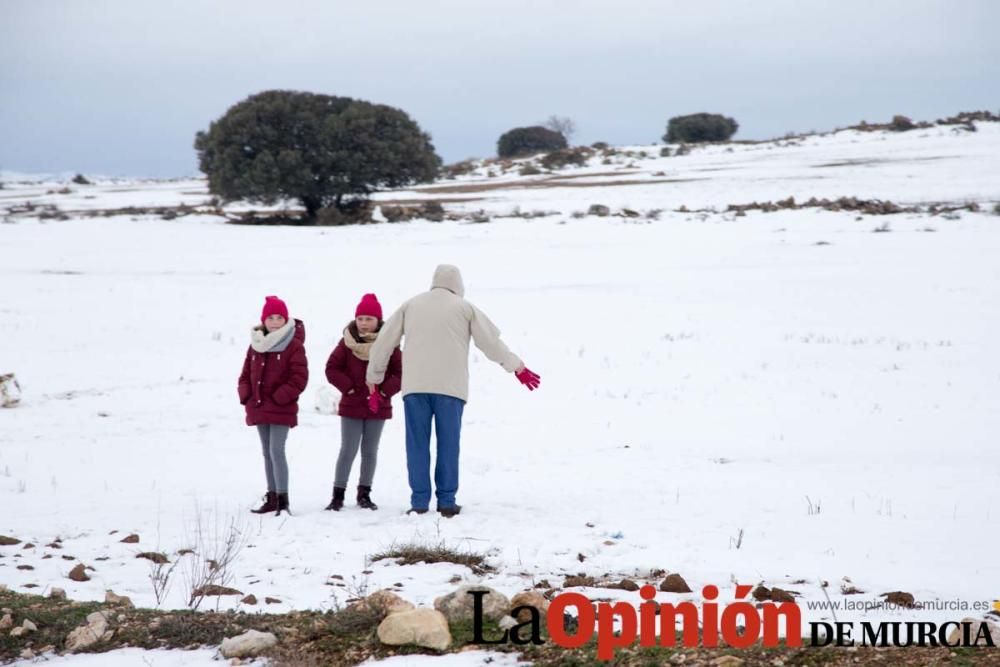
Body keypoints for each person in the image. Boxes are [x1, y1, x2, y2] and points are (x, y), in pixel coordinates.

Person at [366, 265, 540, 517]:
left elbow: (384, 341)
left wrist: (374, 378)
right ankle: (446, 502)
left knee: (416, 444)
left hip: (415, 387)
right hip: (451, 389)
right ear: (458, 285)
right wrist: (516, 367)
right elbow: (490, 344)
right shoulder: (464, 308)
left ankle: (419, 502)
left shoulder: (411, 305)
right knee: (448, 444)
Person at [324, 293, 402, 511]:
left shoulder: (389, 343)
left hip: (378, 405)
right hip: (351, 405)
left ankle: (364, 495)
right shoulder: (346, 342)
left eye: (369, 319)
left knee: (370, 451)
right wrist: (349, 387)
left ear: (378, 321)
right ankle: (337, 496)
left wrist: (385, 392)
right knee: (347, 450)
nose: (364, 323)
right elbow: (332, 368)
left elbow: (400, 372)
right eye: (361, 319)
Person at [238, 296, 309, 516]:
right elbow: (245, 375)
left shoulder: (293, 345)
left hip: (281, 407)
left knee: (277, 451)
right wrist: (246, 396)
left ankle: (283, 501)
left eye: (279, 317)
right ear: (264, 320)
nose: (276, 321)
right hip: (259, 407)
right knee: (267, 453)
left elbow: (300, 378)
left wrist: (280, 397)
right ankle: (272, 497)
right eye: (271, 317)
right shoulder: (256, 345)